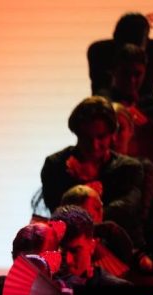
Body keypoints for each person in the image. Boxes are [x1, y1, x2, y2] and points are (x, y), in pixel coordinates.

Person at [40, 96, 145, 248]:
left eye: (101, 137)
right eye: (86, 138)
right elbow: (58, 212)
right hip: (72, 251)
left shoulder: (129, 168)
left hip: (122, 250)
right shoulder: (55, 165)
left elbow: (125, 210)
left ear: (112, 134)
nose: (94, 145)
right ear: (76, 134)